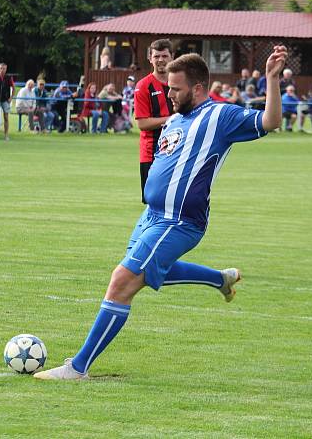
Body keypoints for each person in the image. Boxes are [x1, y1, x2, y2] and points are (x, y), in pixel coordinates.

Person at [33, 45, 288, 381]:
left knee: (122, 281)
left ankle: (78, 368)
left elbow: (270, 121)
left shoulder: (220, 116)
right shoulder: (174, 120)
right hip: (152, 216)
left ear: (197, 88)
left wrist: (271, 80)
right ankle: (220, 279)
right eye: (168, 87)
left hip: (178, 221)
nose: (168, 94)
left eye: (176, 89)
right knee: (148, 272)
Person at [134, 38, 174, 203]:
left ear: (172, 57)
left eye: (164, 56)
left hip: (178, 152)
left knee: (175, 201)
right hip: (152, 154)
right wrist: (171, 119)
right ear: (150, 58)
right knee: (153, 203)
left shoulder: (181, 83)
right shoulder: (144, 86)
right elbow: (142, 124)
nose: (160, 60)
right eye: (156, 56)